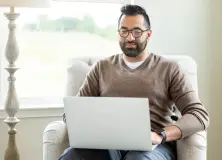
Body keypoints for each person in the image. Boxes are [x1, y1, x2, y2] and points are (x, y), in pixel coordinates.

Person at [59, 4, 210, 160]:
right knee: (72, 155)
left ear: (148, 34)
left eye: (137, 31)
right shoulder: (101, 68)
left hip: (153, 148)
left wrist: (161, 135)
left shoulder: (169, 69)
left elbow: (199, 115)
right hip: (108, 144)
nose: (130, 38)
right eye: (124, 31)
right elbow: (73, 112)